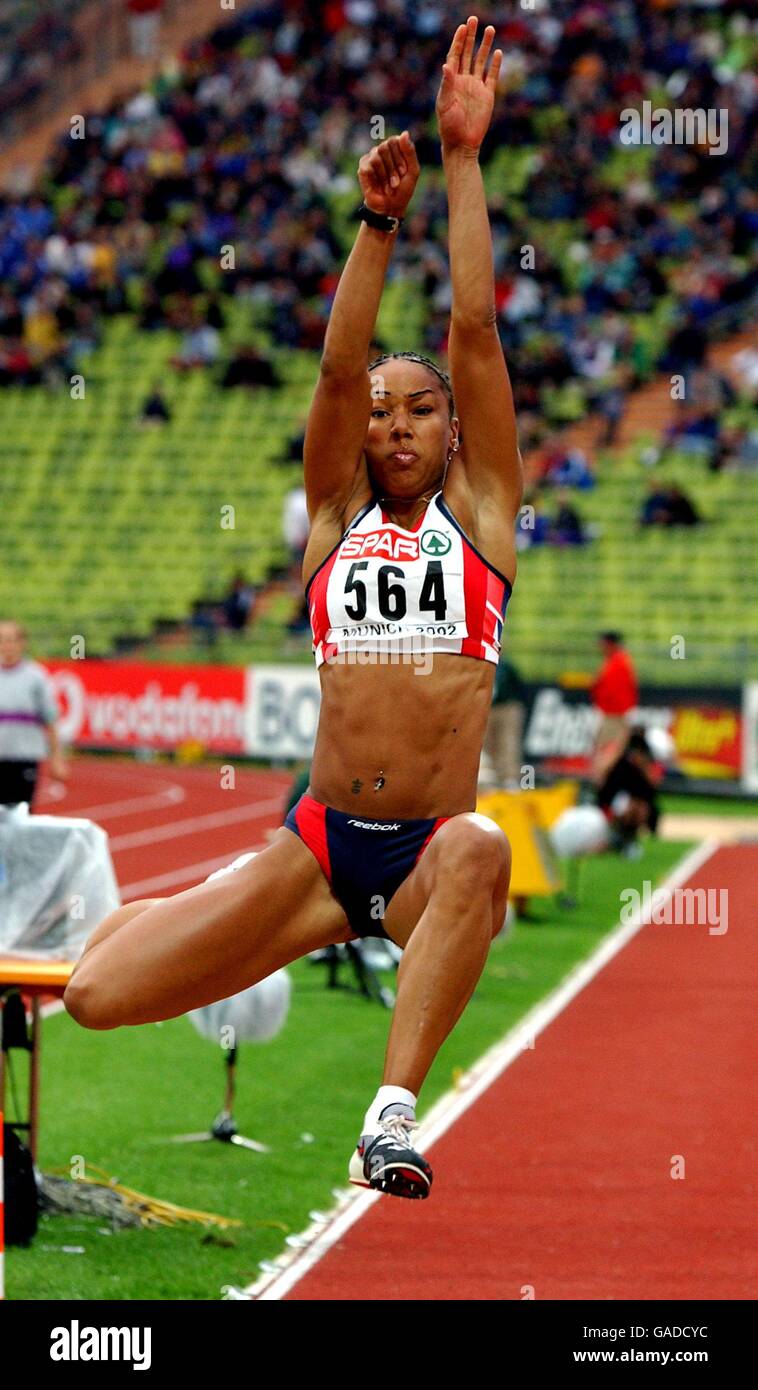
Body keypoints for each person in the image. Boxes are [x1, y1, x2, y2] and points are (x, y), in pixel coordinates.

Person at [63, 19, 520, 1203]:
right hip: (316, 849)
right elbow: (330, 373)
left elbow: (473, 330)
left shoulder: (482, 514)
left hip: (423, 852)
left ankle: (389, 1115)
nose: (394, 424)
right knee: (92, 996)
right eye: (380, 412)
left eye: (417, 409)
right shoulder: (330, 518)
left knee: (482, 845)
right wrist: (374, 227)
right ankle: (190, 897)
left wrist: (461, 163)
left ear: (453, 432)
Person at [0, 620, 68, 806]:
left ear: (22, 643)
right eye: (2, 640)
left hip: (24, 760)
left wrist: (56, 758)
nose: (7, 645)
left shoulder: (36, 677)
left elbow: (51, 719)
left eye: (11, 640)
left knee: (20, 818)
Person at [590, 631, 638, 782]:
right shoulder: (616, 661)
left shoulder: (618, 663)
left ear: (610, 644)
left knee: (608, 753)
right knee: (606, 751)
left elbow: (613, 691)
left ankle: (603, 784)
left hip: (614, 716)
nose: (600, 648)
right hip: (613, 715)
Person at [483, 654, 527, 788]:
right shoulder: (483, 665)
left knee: (509, 743)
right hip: (488, 708)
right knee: (486, 744)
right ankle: (490, 778)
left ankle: (510, 779)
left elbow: (520, 690)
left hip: (507, 708)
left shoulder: (506, 667)